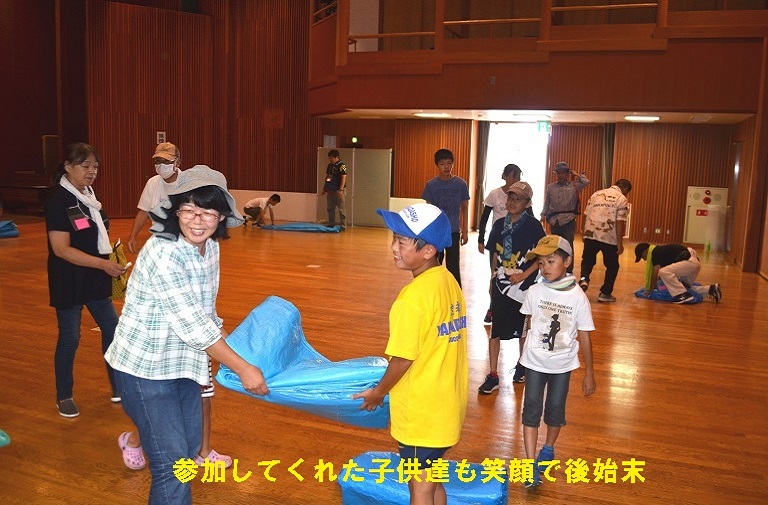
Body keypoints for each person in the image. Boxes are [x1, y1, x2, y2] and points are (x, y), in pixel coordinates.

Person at [105, 165, 269, 504]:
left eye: (208, 212)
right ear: (175, 210)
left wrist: (242, 356)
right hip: (146, 370)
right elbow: (194, 325)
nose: (197, 220)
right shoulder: (164, 252)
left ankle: (140, 438)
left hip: (184, 364)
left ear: (221, 217)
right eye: (189, 209)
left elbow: (205, 312)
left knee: (191, 448)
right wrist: (242, 368)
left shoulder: (210, 247)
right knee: (173, 465)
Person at [353, 203, 468, 505]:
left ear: (428, 250)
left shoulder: (412, 299)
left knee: (420, 488)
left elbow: (402, 358)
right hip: (445, 406)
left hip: (422, 415)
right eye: (394, 238)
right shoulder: (447, 281)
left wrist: (378, 393)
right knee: (432, 481)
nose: (394, 247)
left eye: (402, 241)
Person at [45, 142, 128, 418]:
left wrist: (110, 258)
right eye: (85, 165)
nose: (92, 171)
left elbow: (94, 236)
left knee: (113, 329)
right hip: (69, 278)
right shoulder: (58, 200)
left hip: (95, 276)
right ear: (68, 167)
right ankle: (64, 396)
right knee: (70, 337)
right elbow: (61, 249)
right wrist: (104, 264)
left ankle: (118, 387)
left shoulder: (90, 197)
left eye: (95, 166)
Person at [518, 235, 596, 488]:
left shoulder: (578, 297)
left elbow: (585, 335)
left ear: (567, 261)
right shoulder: (534, 291)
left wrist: (589, 373)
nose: (545, 268)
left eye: (551, 261)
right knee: (530, 412)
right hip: (535, 362)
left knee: (554, 411)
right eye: (541, 263)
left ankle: (548, 448)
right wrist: (522, 356)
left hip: (563, 365)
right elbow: (527, 324)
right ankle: (529, 464)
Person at [479, 182, 545, 393]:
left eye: (518, 199)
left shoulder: (534, 226)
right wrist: (492, 278)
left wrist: (524, 275)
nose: (512, 202)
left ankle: (521, 365)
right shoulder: (499, 225)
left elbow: (543, 256)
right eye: (510, 198)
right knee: (495, 329)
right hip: (501, 285)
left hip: (524, 286)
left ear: (527, 204)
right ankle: (493, 374)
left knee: (522, 327)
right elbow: (495, 254)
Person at [477, 163, 525, 325]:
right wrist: (481, 239)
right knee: (495, 274)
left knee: (515, 273)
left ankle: (513, 308)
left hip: (517, 240)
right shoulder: (495, 194)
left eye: (518, 177)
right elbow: (484, 217)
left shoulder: (522, 196)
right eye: (512, 176)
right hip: (498, 241)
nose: (515, 179)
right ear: (504, 176)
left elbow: (530, 216)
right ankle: (492, 307)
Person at [578, 179, 633, 303]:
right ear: (625, 189)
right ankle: (605, 293)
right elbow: (620, 221)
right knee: (612, 266)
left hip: (591, 233)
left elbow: (586, 215)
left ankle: (584, 279)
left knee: (587, 261)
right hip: (609, 236)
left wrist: (584, 233)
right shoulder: (621, 198)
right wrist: (620, 243)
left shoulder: (596, 194)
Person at [422, 148, 470, 287]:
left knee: (453, 265)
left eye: (449, 163)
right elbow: (429, 210)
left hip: (453, 231)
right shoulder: (431, 185)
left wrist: (465, 231)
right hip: (436, 231)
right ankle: (434, 290)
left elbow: (464, 208)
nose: (446, 167)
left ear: (453, 164)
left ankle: (456, 293)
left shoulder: (460, 184)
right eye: (442, 164)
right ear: (437, 165)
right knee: (434, 264)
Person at [127, 142, 182, 254]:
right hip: (159, 240)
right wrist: (133, 236)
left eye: (166, 161)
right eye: (158, 161)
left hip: (183, 241)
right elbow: (143, 212)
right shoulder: (153, 183)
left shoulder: (188, 184)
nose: (162, 165)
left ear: (177, 163)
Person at [540, 162, 589, 273]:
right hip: (554, 221)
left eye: (563, 173)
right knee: (555, 246)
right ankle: (555, 268)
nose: (560, 175)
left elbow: (586, 182)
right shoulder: (550, 187)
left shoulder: (575, 185)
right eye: (558, 173)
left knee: (568, 246)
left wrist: (576, 174)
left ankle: (568, 271)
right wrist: (543, 214)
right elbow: (547, 203)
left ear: (567, 173)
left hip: (568, 220)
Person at [635, 242, 722, 304]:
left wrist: (650, 291)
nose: (644, 259)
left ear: (645, 252)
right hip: (693, 263)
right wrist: (658, 286)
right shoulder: (662, 253)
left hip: (689, 263)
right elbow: (662, 278)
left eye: (642, 257)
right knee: (682, 286)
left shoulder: (655, 252)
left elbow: (655, 275)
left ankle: (683, 295)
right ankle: (710, 289)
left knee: (663, 273)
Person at [321, 149, 347, 230]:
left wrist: (341, 190)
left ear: (336, 157)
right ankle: (331, 223)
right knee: (330, 208)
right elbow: (328, 177)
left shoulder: (342, 166)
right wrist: (325, 188)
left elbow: (343, 178)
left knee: (341, 209)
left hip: (338, 190)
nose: (330, 159)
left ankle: (343, 225)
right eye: (329, 158)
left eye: (331, 158)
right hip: (330, 190)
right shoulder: (330, 166)